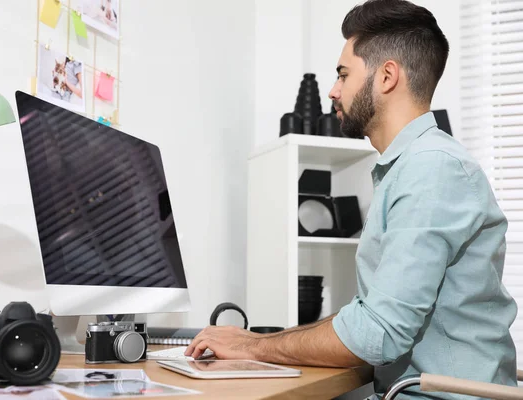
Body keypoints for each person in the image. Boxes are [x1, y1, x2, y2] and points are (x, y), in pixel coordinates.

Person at [185, 0, 518, 398]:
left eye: (343, 75)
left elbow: (377, 333)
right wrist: (252, 341)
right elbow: (367, 318)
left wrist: (253, 346)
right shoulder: (410, 168)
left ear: (387, 76)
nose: (334, 90)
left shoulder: (432, 169)